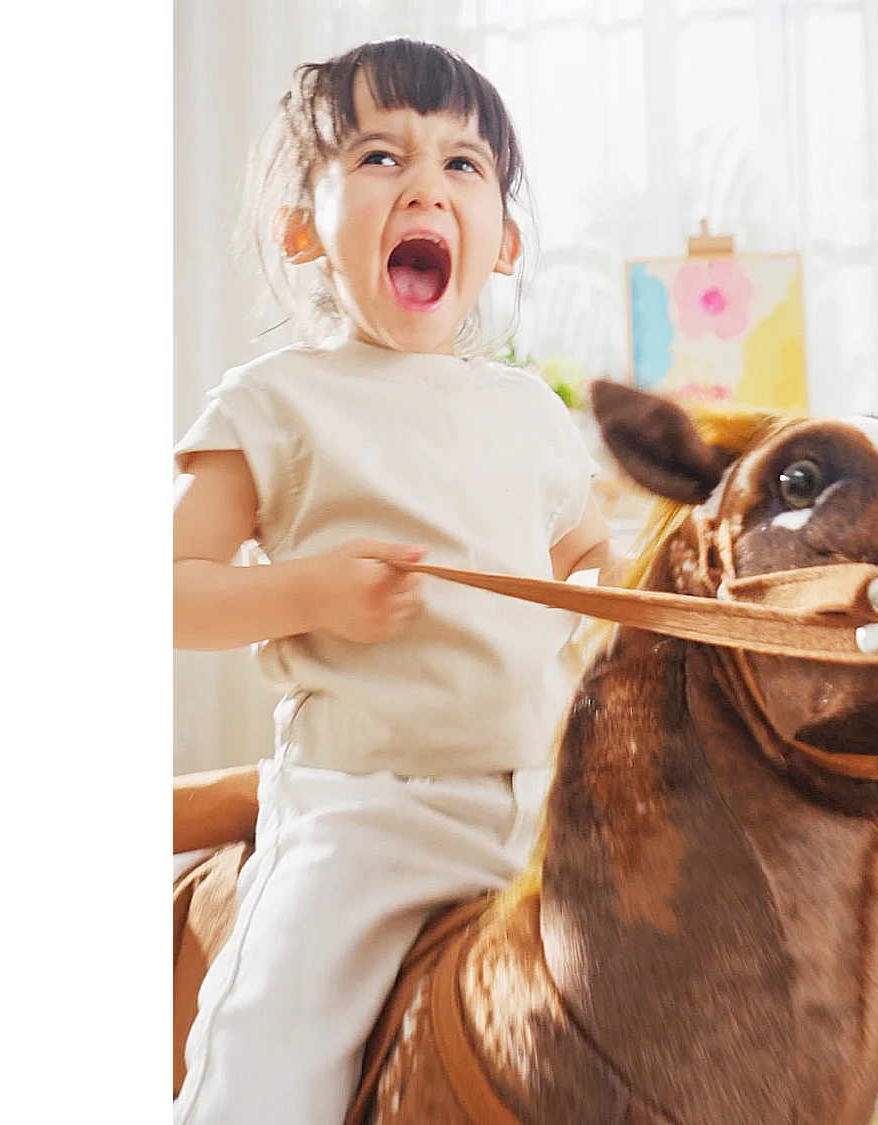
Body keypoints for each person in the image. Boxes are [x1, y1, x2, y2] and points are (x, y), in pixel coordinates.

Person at [171, 38, 611, 1125]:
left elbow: (592, 560)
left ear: (502, 242)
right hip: (369, 810)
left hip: (549, 806)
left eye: (464, 165)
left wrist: (588, 617)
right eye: (380, 158)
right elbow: (167, 591)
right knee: (268, 1057)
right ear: (302, 228)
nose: (425, 183)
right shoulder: (274, 401)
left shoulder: (528, 411)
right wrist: (313, 593)